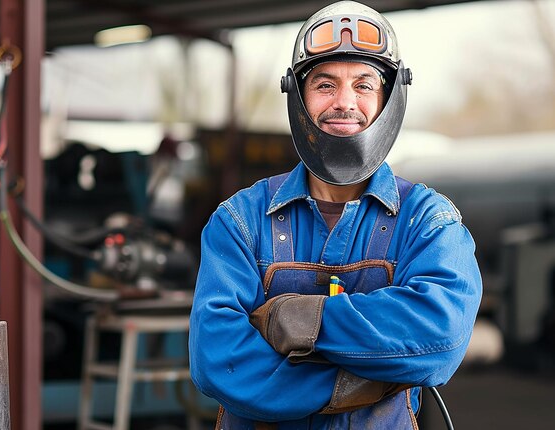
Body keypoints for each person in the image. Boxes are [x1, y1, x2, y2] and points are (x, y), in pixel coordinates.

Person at [189, 1, 482, 429]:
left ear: (389, 97)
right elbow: (217, 360)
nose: (344, 103)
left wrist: (299, 320)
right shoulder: (239, 221)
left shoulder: (428, 221)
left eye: (364, 85)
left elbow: (439, 334)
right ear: (299, 96)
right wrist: (362, 382)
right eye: (325, 84)